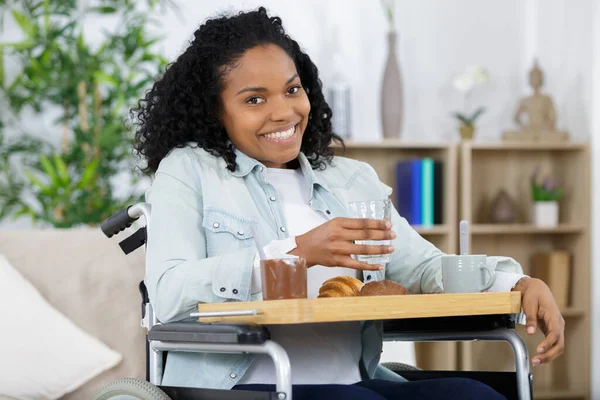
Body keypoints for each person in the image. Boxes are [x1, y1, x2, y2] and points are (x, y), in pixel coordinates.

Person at [132, 7, 565, 400]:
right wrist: (297, 253)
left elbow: (421, 269)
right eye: (254, 99)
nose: (284, 112)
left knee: (475, 396)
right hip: (243, 384)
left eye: (292, 89)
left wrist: (515, 284)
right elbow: (170, 294)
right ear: (215, 111)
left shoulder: (350, 180)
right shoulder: (189, 171)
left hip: (355, 380)